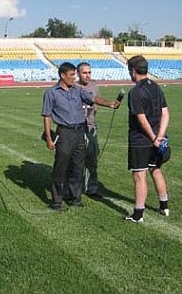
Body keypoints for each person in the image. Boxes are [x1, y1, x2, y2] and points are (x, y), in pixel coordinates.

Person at [41, 62, 120, 211]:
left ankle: (75, 198)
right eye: (72, 75)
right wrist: (49, 138)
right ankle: (57, 201)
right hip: (64, 133)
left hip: (80, 131)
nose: (74, 77)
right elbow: (46, 116)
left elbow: (94, 98)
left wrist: (109, 104)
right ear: (63, 76)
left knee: (77, 167)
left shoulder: (77, 90)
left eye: (74, 74)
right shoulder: (51, 92)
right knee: (60, 167)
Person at [125, 55, 170, 223]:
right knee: (156, 169)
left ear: (133, 70)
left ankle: (138, 214)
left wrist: (153, 137)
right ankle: (164, 205)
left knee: (139, 175)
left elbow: (141, 118)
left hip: (141, 140)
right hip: (159, 137)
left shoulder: (135, 92)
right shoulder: (156, 87)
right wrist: (160, 136)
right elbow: (165, 113)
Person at [76, 62, 120, 195]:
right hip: (77, 128)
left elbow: (97, 102)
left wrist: (94, 110)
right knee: (77, 160)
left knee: (92, 159)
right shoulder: (73, 87)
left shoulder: (94, 85)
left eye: (89, 72)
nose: (87, 75)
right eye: (84, 73)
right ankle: (74, 188)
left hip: (91, 127)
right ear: (78, 74)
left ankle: (92, 188)